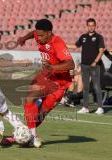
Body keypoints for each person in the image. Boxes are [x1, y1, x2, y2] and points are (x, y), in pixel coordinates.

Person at [15, 19, 74, 147]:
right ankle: (33, 137)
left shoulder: (57, 43)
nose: (38, 38)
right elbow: (33, 33)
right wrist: (24, 38)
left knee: (40, 115)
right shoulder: (39, 34)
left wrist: (52, 68)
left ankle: (27, 135)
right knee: (29, 98)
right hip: (46, 76)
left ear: (49, 33)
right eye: (38, 35)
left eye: (41, 35)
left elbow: (71, 64)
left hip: (59, 83)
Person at [67, 18, 105, 114]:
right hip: (84, 65)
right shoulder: (83, 37)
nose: (91, 27)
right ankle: (85, 108)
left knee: (96, 86)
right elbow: (76, 46)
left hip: (94, 65)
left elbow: (101, 51)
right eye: (89, 25)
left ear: (95, 26)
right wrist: (63, 44)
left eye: (93, 25)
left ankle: (100, 107)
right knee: (86, 87)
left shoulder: (99, 37)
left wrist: (95, 61)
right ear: (87, 26)